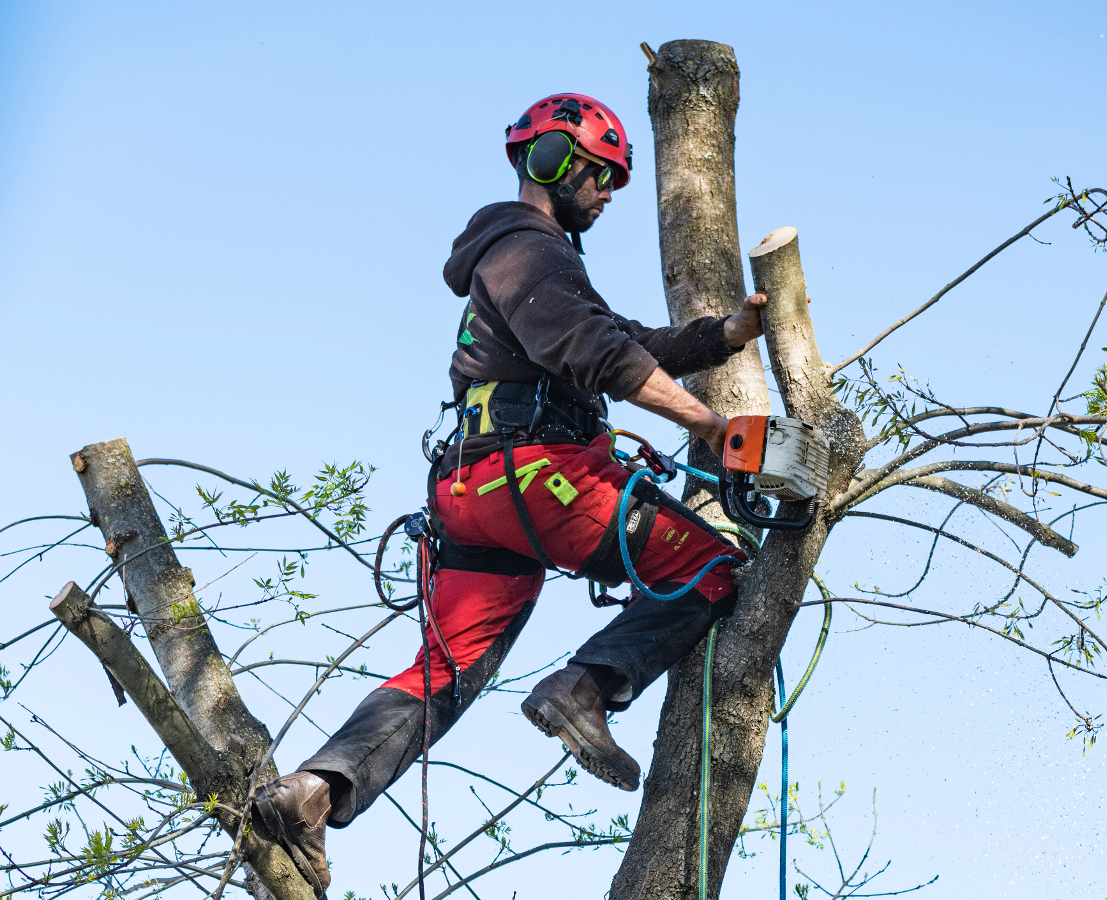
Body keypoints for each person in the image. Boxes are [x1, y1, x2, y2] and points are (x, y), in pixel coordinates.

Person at [253, 92, 767, 896]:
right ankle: (585, 688)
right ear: (552, 162)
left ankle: (314, 791)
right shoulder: (529, 249)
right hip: (536, 477)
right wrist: (708, 423)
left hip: (474, 491)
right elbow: (598, 351)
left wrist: (721, 337)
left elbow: (620, 335)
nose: (605, 193)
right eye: (598, 175)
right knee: (710, 564)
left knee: (447, 668)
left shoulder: (528, 260)